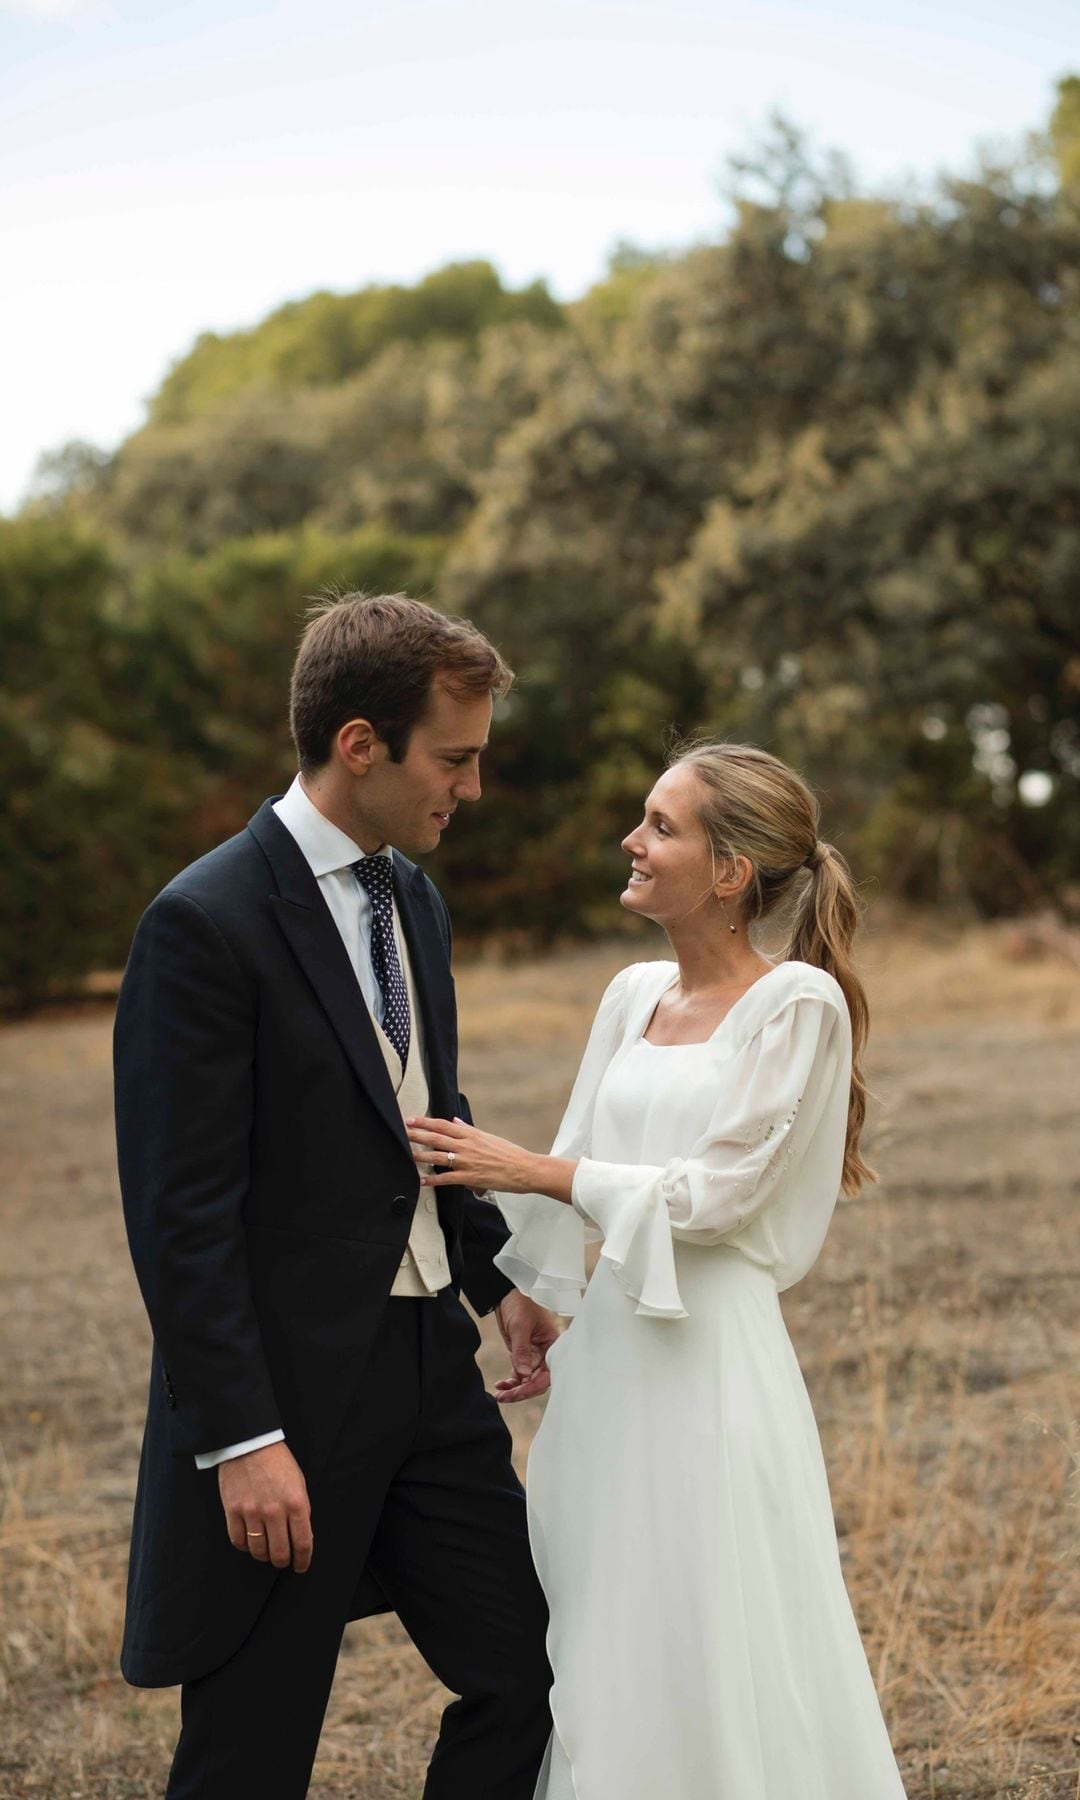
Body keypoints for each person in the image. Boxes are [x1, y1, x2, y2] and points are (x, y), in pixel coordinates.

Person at [114, 592, 557, 1799]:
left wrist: (498, 1278)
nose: (467, 787)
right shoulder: (203, 922)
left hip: (429, 1366)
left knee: (534, 1677)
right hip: (289, 1399)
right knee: (252, 1753)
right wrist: (242, 1438)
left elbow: (430, 1113)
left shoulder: (410, 897)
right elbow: (179, 1215)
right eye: (454, 758)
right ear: (361, 744)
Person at [407, 741, 909, 1800]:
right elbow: (587, 1143)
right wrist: (540, 1299)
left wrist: (525, 1169)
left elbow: (713, 1197)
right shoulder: (630, 991)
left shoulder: (797, 1007)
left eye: (662, 826)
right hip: (616, 1357)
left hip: (710, 1361)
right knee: (605, 1626)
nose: (632, 842)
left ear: (730, 872)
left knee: (706, 1624)